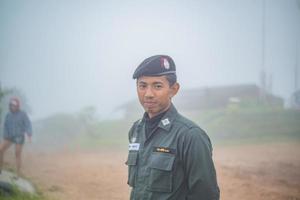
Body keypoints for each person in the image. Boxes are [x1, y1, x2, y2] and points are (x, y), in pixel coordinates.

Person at [126, 55, 220, 200]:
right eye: (142, 86)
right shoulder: (136, 130)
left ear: (173, 89)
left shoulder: (190, 136)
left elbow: (205, 194)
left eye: (157, 86)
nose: (148, 94)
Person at [0, 97, 32, 177]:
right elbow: (5, 126)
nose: (12, 107)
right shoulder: (8, 115)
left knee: (17, 154)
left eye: (14, 105)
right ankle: (0, 169)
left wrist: (29, 134)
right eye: (11, 105)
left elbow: (28, 124)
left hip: (19, 136)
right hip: (9, 136)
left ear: (18, 106)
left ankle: (18, 174)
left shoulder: (23, 114)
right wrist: (5, 136)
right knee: (0, 150)